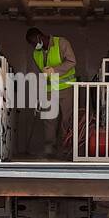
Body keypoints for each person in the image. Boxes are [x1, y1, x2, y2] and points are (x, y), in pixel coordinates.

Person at [26, 27, 78, 159]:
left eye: (34, 42)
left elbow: (72, 62)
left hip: (66, 88)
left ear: (40, 37)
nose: (34, 46)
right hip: (49, 90)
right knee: (49, 121)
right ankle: (49, 150)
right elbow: (43, 74)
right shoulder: (36, 53)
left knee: (67, 119)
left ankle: (67, 149)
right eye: (31, 44)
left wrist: (55, 70)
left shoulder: (61, 43)